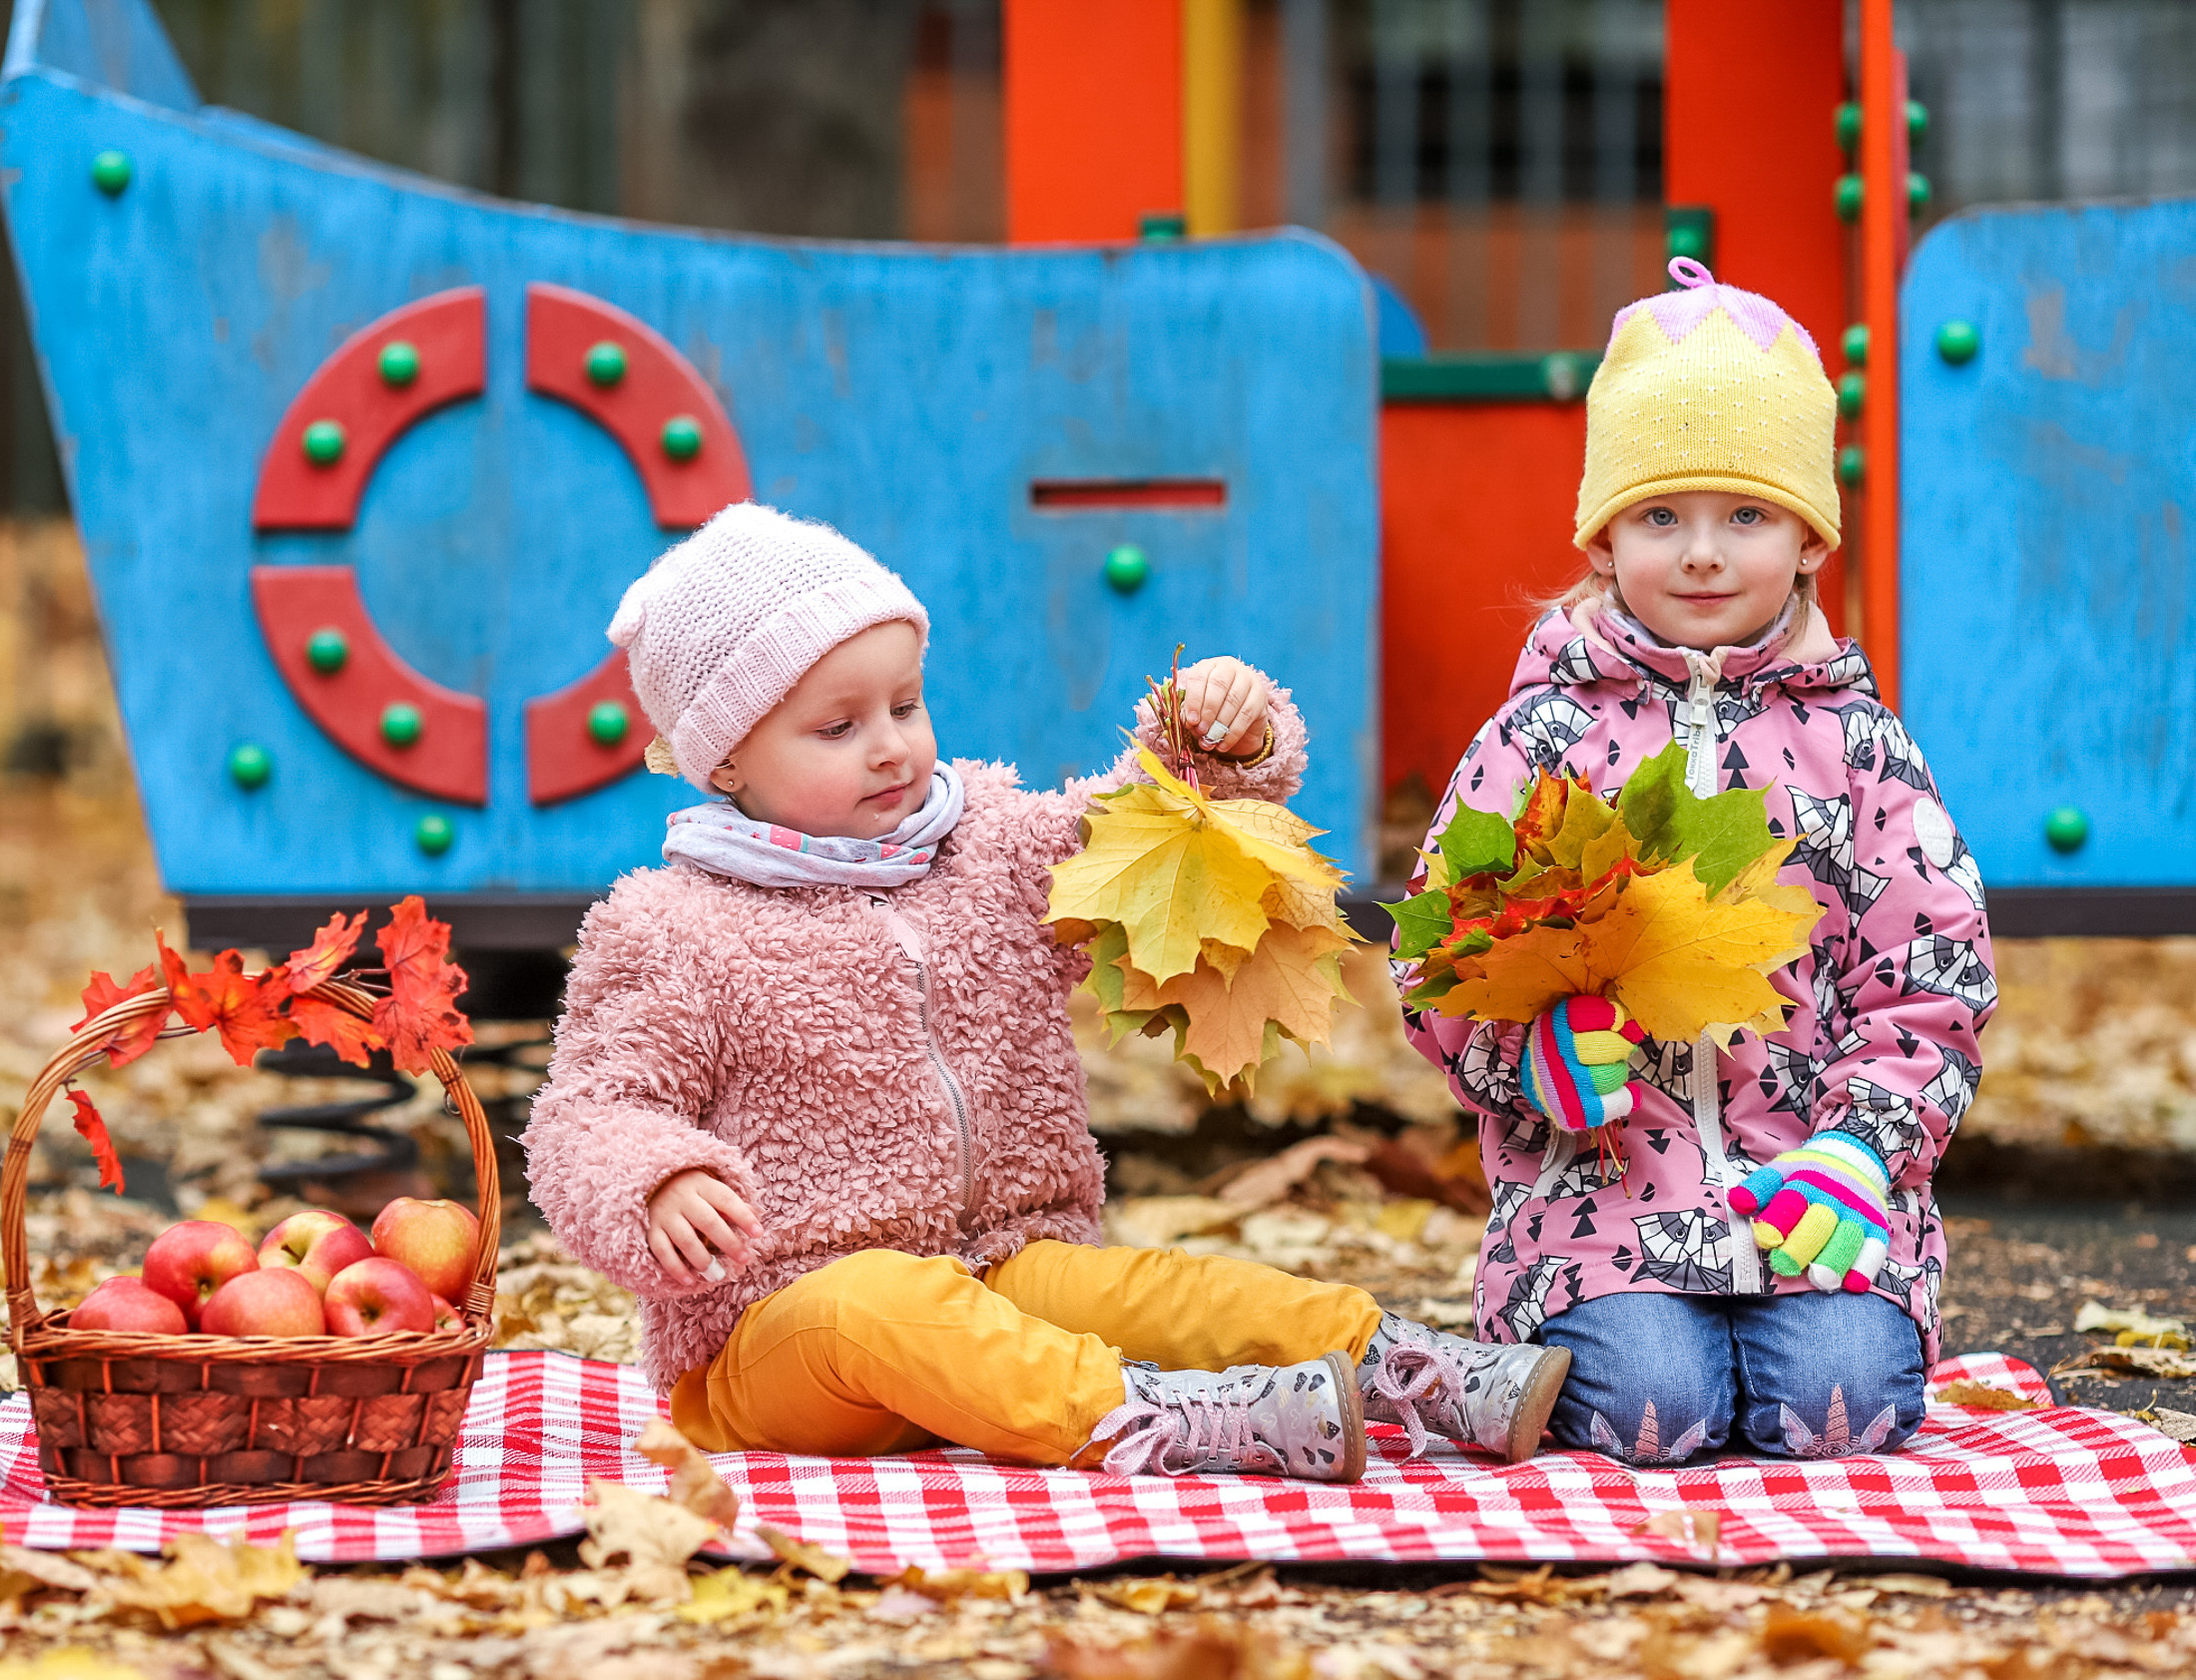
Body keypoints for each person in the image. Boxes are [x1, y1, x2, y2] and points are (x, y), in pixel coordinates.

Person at [526, 501, 1570, 1481]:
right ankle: (1154, 1416)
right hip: (786, 1331)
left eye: (904, 704)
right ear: (724, 763)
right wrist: (655, 1179)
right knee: (878, 1301)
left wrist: (1215, 746)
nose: (890, 745)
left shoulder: (986, 848)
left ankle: (1400, 1366)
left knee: (1158, 1290)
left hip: (1004, 1264)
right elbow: (588, 1115)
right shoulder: (672, 927)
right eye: (837, 728)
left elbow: (1137, 840)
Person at [1399, 259, 1994, 1464]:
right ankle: (1606, 1344)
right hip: (1600, 1203)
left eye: (1747, 517)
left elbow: (1934, 973)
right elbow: (1440, 957)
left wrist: (1862, 1147)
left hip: (1813, 1195)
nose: (1703, 554)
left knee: (1842, 1410)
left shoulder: (1857, 745)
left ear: (1809, 538)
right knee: (1650, 1413)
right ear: (1603, 535)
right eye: (1661, 516)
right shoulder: (1540, 737)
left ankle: (1809, 1293)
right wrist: (1527, 1058)